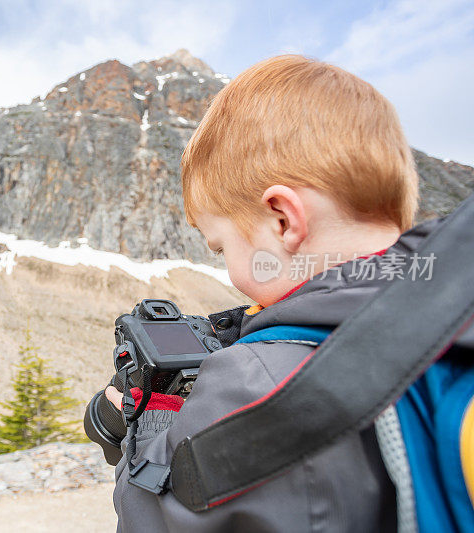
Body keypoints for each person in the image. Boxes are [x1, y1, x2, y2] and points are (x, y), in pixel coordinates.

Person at [105, 54, 431, 532]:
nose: (230, 268)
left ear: (283, 219)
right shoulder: (445, 306)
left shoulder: (257, 382)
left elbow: (153, 519)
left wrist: (152, 427)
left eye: (222, 248)